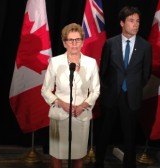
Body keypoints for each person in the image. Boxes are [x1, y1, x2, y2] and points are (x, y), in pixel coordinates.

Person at [94, 6, 152, 168]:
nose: (136, 24)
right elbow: (103, 70)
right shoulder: (110, 44)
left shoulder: (145, 46)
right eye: (131, 21)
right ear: (122, 23)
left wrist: (134, 87)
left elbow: (146, 74)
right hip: (111, 96)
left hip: (132, 97)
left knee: (130, 136)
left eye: (138, 21)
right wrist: (108, 90)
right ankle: (98, 162)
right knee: (104, 133)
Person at [41, 23, 100, 168]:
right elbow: (45, 90)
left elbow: (95, 91)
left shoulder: (91, 63)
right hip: (59, 113)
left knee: (78, 154)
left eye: (78, 39)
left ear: (82, 41)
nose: (74, 43)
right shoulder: (55, 62)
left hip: (81, 115)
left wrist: (82, 106)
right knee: (57, 154)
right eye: (70, 40)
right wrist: (62, 104)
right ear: (64, 42)